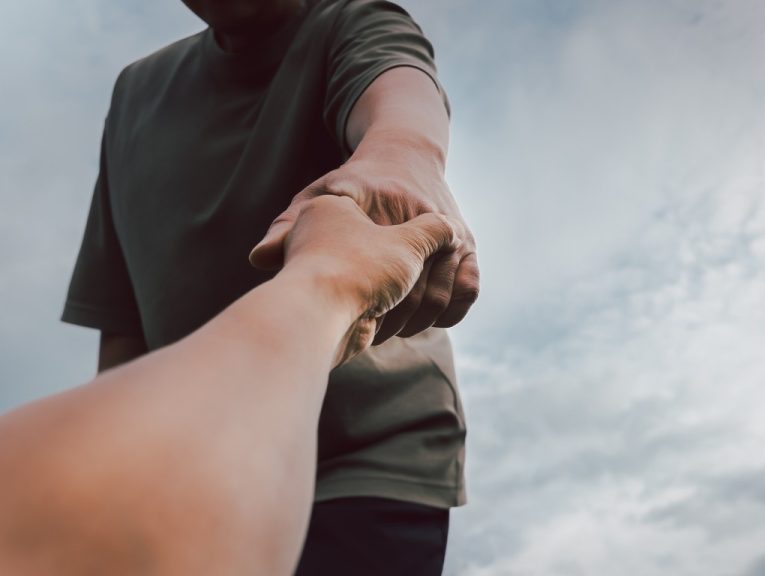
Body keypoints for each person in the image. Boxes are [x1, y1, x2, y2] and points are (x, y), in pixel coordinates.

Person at [61, 0, 479, 573]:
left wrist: (403, 159)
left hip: (356, 462)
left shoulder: (351, 18)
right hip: (190, 476)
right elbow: (123, 326)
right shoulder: (136, 91)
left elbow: (399, 93)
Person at [0, 196, 459, 576]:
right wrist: (332, 282)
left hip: (371, 454)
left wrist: (403, 181)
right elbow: (120, 326)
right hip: (199, 443)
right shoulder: (131, 102)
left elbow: (404, 135)